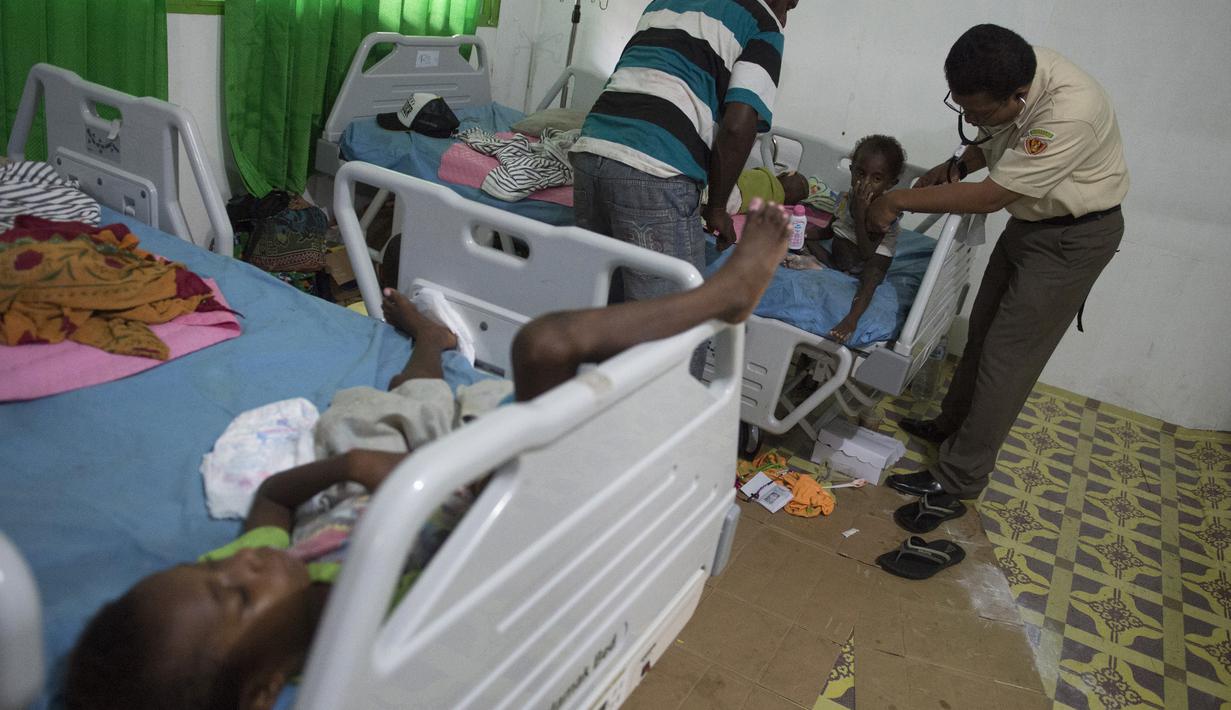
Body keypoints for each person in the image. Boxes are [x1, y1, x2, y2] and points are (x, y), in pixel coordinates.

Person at [63, 199, 792, 710]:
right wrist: (414, 485)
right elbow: (483, 570)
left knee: (368, 421)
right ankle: (727, 294)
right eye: (237, 594)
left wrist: (350, 472)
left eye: (211, 564)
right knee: (543, 345)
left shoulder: (273, 567)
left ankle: (430, 346)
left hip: (383, 488)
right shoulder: (380, 634)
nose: (240, 563)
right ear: (262, 694)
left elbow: (274, 502)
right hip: (488, 503)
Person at [865, 24, 1129, 528]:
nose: (969, 118)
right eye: (961, 107)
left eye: (977, 111)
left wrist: (895, 199)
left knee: (1007, 359)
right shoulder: (1021, 67)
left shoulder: (1070, 113)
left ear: (1019, 96)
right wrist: (959, 161)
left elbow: (991, 196)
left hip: (1074, 237)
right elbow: (996, 138)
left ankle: (959, 479)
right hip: (1031, 221)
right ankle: (949, 428)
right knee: (982, 333)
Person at [570, 0, 798, 305]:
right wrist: (717, 207)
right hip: (655, 167)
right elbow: (738, 125)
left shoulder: (664, 2)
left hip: (591, 149)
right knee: (676, 329)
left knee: (602, 311)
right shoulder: (764, 24)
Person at [785, 135, 907, 343]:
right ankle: (820, 264)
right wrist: (802, 233)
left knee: (871, 280)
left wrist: (861, 214)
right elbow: (829, 231)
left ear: (890, 183)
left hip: (870, 261)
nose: (865, 183)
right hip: (840, 259)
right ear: (851, 170)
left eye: (876, 179)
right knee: (799, 240)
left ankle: (851, 319)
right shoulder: (844, 199)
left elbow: (867, 253)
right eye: (860, 173)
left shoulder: (883, 212)